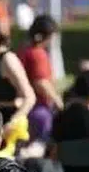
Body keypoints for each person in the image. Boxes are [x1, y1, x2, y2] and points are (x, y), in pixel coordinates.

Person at [17, 15, 63, 143]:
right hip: (39, 109)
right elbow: (41, 82)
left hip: (24, 108)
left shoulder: (24, 50)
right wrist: (58, 101)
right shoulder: (37, 54)